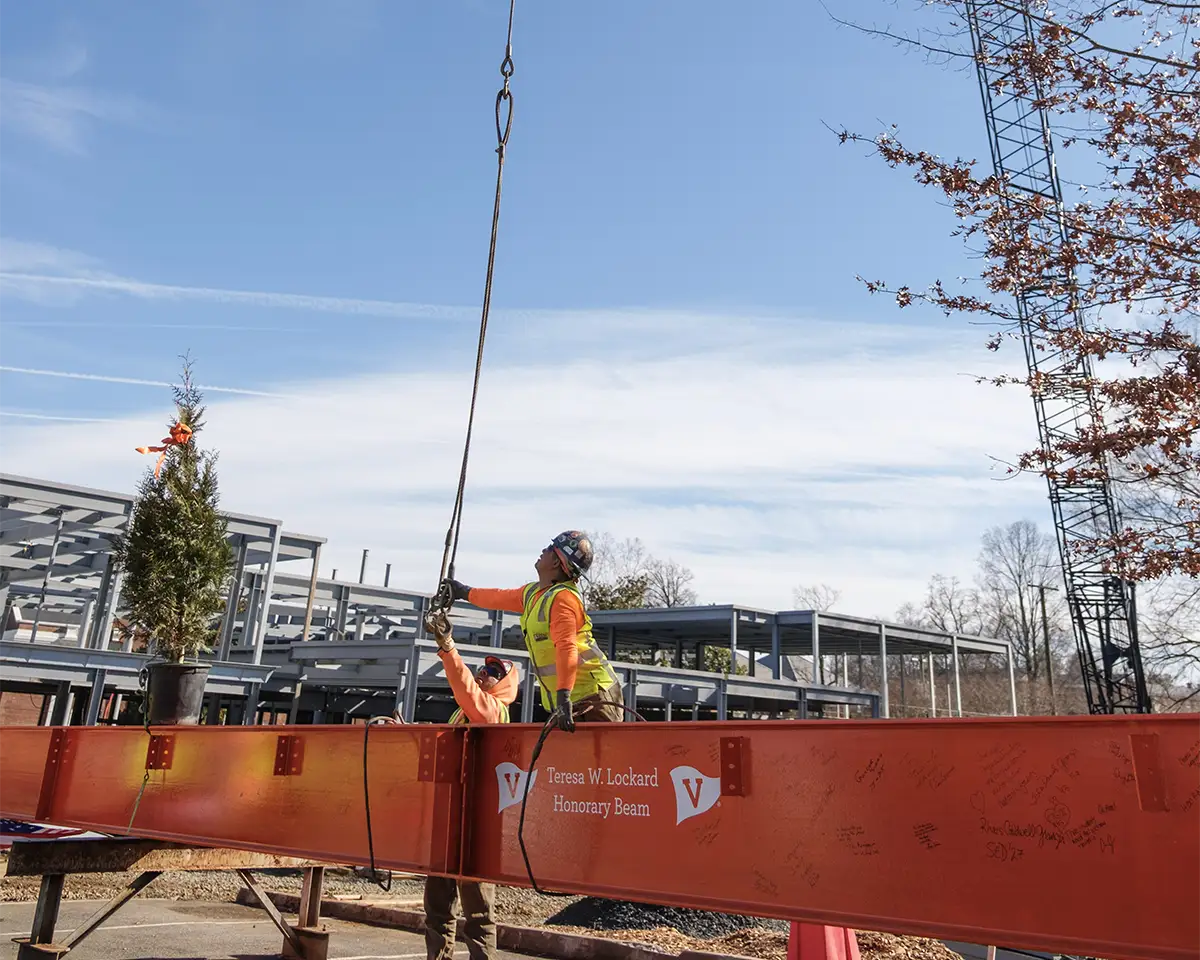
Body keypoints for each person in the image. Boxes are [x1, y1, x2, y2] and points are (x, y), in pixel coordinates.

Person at [439, 530, 624, 730]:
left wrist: (563, 696)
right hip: (576, 698)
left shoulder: (563, 599)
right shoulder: (534, 593)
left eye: (550, 548)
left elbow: (567, 647)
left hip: (593, 697)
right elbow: (497, 597)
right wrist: (462, 591)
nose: (544, 550)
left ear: (556, 562)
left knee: (595, 760)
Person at [421, 611, 518, 960]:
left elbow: (462, 683)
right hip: (450, 819)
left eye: (494, 672)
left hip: (475, 825)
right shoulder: (465, 712)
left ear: (504, 686)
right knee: (436, 902)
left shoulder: (492, 711)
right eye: (485, 667)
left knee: (477, 908)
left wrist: (448, 647)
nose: (484, 672)